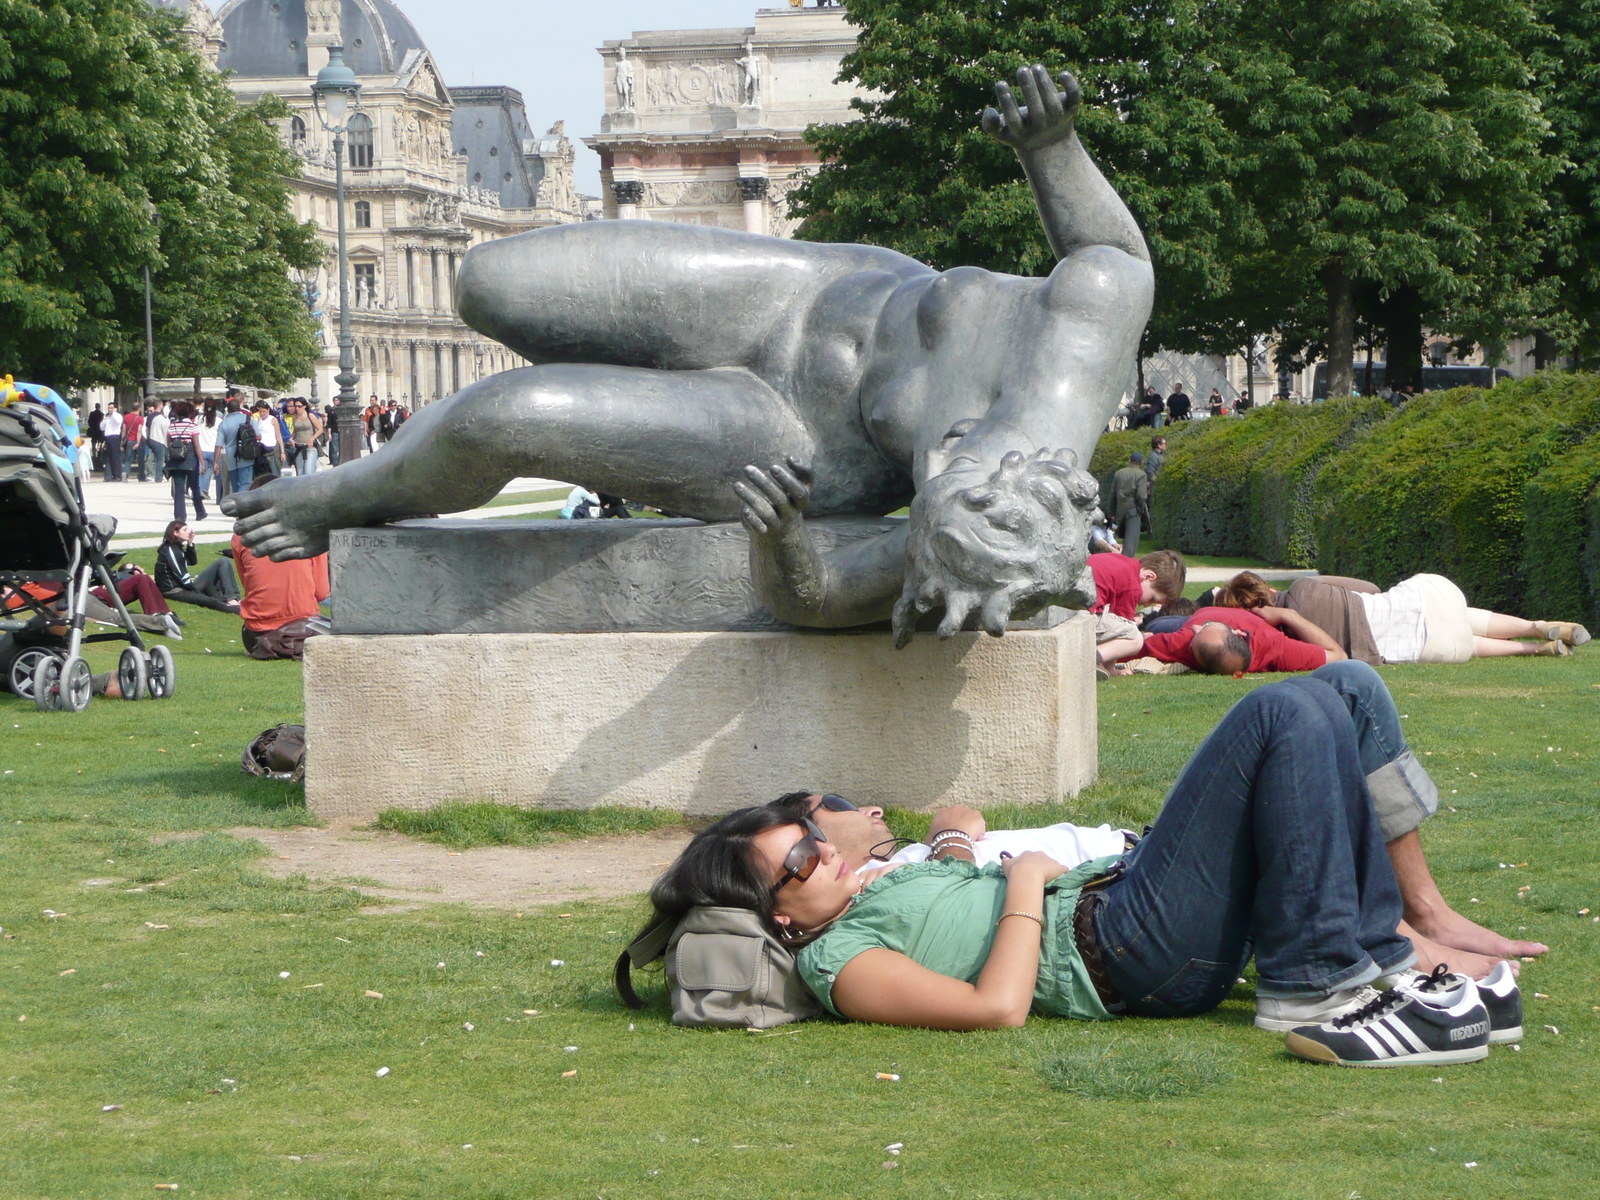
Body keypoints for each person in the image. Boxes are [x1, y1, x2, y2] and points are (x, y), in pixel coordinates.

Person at [225, 66, 1154, 649]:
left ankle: (349, 492)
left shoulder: (938, 550)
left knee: (508, 417)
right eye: (963, 475)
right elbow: (1116, 254)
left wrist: (786, 537)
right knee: (488, 282)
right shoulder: (1082, 331)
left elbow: (820, 598)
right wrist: (1053, 150)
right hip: (798, 288)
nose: (948, 471)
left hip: (790, 439)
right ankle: (396, 463)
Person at [649, 672, 1515, 1065]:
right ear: (780, 918)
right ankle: (1320, 987)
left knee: (1343, 689)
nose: (825, 846)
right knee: (1279, 712)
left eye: (808, 832)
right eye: (802, 856)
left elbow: (943, 871)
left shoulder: (865, 894)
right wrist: (1024, 883)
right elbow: (995, 1010)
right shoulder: (838, 963)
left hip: (1123, 905)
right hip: (1120, 948)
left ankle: (1388, 966)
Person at [769, 660, 1545, 983]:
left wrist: (946, 841)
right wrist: (1001, 871)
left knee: (1352, 686)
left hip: (1140, 863)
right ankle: (1380, 950)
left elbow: (958, 814)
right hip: (1127, 901)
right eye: (824, 818)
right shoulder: (876, 906)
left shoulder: (905, 859)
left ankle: (1424, 909)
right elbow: (989, 980)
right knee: (1285, 713)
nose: (858, 808)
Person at [1211, 571, 1588, 661]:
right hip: (1425, 599)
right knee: (1459, 614)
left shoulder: (1289, 637)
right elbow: (1371, 588)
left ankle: (1530, 648)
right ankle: (1536, 626)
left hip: (1422, 645)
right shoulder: (1306, 586)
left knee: (1461, 638)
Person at [1099, 603, 1346, 674]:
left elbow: (1135, 646)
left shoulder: (1185, 641)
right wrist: (1287, 615)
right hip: (1222, 608)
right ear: (1238, 632)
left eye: (1202, 629)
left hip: (1180, 622)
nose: (1197, 630)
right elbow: (1339, 656)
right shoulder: (1276, 647)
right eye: (1202, 629)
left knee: (1158, 622)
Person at [233, 479, 329, 660]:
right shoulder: (311, 532)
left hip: (258, 633)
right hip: (304, 629)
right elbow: (322, 592)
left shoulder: (240, 536)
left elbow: (248, 584)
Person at [1087, 548, 1184, 646]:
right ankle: (1096, 659)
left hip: (1081, 602)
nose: (1146, 605)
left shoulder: (1123, 562)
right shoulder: (1133, 586)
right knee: (1134, 638)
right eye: (1152, 599)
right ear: (1148, 577)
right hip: (1088, 614)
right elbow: (1123, 628)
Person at [155, 520, 240, 612]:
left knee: (224, 563)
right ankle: (233, 606)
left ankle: (234, 599)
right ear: (175, 533)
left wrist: (190, 543)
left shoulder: (176, 547)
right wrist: (196, 591)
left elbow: (192, 561)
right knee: (210, 601)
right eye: (185, 530)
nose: (189, 532)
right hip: (174, 591)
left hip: (182, 586)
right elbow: (181, 575)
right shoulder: (171, 550)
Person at [163, 401, 208, 522]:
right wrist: (202, 462)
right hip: (191, 458)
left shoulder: (172, 426)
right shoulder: (192, 426)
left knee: (178, 488)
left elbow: (168, 443)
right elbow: (197, 445)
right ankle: (200, 512)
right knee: (195, 486)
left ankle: (180, 516)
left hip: (176, 460)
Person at [1109, 452, 1151, 558]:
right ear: (1141, 462)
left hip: (1121, 508)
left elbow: (1112, 494)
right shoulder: (1141, 474)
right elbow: (1141, 496)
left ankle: (1123, 562)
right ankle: (1125, 564)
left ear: (1130, 460)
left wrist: (1112, 512)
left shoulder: (1119, 473)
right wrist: (1141, 509)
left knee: (1125, 536)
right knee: (1131, 541)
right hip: (1133, 508)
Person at [218, 395, 253, 496]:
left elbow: (219, 444)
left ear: (228, 410)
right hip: (246, 455)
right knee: (245, 483)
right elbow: (259, 435)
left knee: (234, 484)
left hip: (231, 458)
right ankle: (242, 504)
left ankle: (237, 500)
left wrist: (216, 461)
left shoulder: (224, 423)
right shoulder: (248, 418)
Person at [286, 398, 324, 475]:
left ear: (304, 406)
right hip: (298, 447)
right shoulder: (294, 417)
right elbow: (295, 431)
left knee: (308, 471)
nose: (297, 408)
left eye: (299, 406)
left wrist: (312, 438)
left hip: (310, 446)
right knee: (300, 473)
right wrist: (291, 439)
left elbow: (320, 429)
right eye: (295, 406)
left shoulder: (310, 415)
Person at [196, 400, 222, 504]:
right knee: (215, 473)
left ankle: (200, 490)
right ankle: (216, 495)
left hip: (201, 449)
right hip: (214, 450)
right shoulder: (219, 420)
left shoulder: (198, 419)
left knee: (202, 471)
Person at [252, 402, 284, 478]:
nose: (262, 413)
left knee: (274, 472)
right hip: (262, 450)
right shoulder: (259, 420)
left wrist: (282, 452)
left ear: (268, 410)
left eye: (264, 411)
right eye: (260, 411)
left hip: (272, 449)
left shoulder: (273, 420)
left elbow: (279, 436)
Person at [143, 403, 169, 484]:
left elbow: (148, 429)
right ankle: (158, 477)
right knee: (160, 459)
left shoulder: (155, 418)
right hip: (159, 440)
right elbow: (165, 432)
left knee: (154, 459)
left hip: (152, 439)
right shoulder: (164, 420)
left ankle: (153, 475)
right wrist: (167, 443)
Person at [122, 404, 144, 482]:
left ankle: (125, 472)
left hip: (129, 440)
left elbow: (124, 430)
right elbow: (139, 431)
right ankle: (141, 476)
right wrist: (138, 442)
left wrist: (122, 441)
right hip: (137, 440)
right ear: (139, 409)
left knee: (128, 458)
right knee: (140, 459)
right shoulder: (140, 419)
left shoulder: (126, 417)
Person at [101, 404, 123, 481]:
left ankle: (118, 475)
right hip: (108, 437)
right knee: (110, 457)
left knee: (115, 457)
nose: (109, 409)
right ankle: (113, 475)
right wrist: (104, 419)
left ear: (115, 408)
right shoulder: (108, 418)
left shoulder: (117, 416)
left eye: (111, 408)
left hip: (114, 437)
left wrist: (113, 413)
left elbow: (118, 421)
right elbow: (102, 427)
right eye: (109, 408)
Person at [87, 403, 105, 472]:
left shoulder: (92, 413)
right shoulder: (101, 414)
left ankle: (94, 456)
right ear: (100, 407)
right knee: (99, 444)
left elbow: (89, 422)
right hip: (99, 431)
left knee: (93, 444)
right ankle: (99, 456)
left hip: (94, 431)